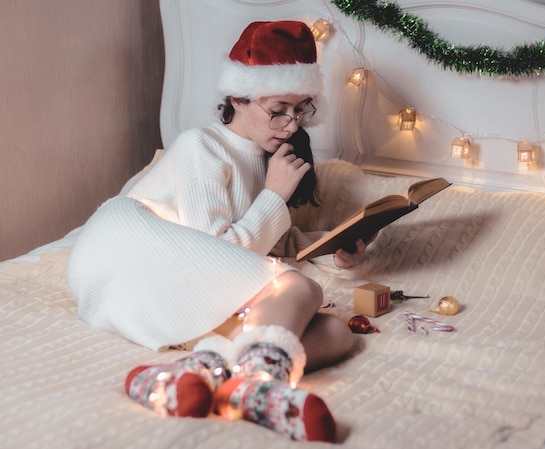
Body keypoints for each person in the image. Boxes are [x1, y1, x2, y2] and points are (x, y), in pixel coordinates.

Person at [67, 20, 372, 442]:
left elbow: (264, 243)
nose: (292, 124)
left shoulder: (266, 158)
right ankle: (258, 386)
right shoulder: (201, 147)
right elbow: (220, 247)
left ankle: (206, 378)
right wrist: (275, 196)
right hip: (124, 239)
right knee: (299, 290)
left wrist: (328, 250)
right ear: (238, 98)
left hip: (177, 266)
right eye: (278, 109)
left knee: (336, 334)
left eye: (301, 109)